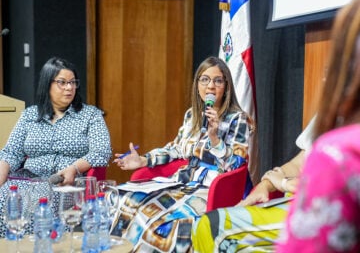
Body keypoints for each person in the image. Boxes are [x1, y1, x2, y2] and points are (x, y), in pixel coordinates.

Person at [111, 56, 254, 252]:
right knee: (124, 198)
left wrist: (215, 139)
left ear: (226, 86)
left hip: (210, 188)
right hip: (183, 182)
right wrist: (144, 159)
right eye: (204, 79)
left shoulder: (238, 119)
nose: (210, 86)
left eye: (218, 80)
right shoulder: (192, 115)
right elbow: (176, 149)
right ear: (197, 86)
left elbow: (237, 164)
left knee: (165, 224)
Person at [277, 0, 360, 252]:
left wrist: (281, 183)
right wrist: (271, 180)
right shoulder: (192, 117)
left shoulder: (339, 152)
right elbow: (299, 159)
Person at [0, 57, 112, 237]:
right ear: (47, 84)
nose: (69, 88)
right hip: (25, 180)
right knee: (6, 200)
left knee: (38, 204)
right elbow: (11, 152)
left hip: (65, 183)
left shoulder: (90, 116)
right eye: (62, 82)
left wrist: (74, 168)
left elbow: (101, 152)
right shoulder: (29, 115)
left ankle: (38, 247)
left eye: (73, 82)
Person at [190, 114, 314, 252]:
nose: (210, 91)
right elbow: (299, 164)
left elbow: (234, 162)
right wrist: (265, 184)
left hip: (314, 211)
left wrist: (284, 183)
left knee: (209, 226)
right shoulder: (192, 116)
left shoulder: (238, 119)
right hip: (190, 184)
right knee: (206, 232)